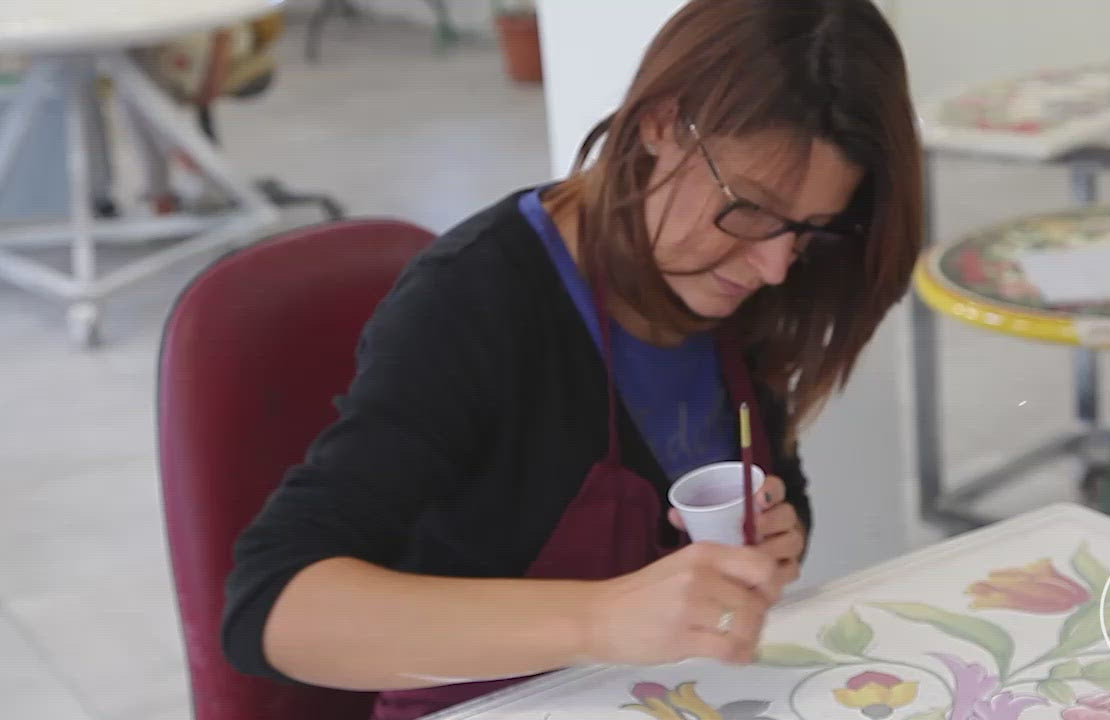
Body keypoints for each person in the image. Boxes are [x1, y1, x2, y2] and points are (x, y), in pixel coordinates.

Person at [220, 1, 922, 718]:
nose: (774, 266)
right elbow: (271, 605)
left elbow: (780, 488)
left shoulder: (744, 288)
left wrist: (775, 537)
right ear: (661, 122)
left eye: (808, 229)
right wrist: (600, 618)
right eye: (750, 209)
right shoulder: (474, 303)